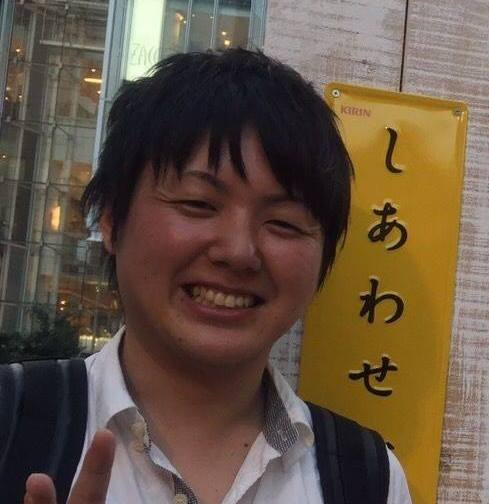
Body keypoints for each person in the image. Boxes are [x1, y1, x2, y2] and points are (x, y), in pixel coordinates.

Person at [23, 49, 411, 504]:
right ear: (110, 218)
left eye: (283, 223)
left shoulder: (369, 478)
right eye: (198, 204)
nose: (239, 252)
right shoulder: (14, 423)